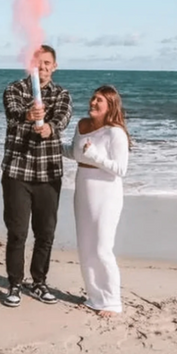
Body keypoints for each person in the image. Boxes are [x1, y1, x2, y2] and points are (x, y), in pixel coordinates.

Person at [1, 45, 72, 308]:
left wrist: (49, 127)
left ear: (54, 66)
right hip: (17, 172)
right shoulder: (15, 89)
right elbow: (13, 115)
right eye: (38, 62)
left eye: (47, 63)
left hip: (48, 174)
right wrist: (28, 115)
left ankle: (39, 282)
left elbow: (63, 117)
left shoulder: (62, 94)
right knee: (17, 232)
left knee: (45, 233)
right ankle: (15, 284)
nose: (42, 67)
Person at [63, 85, 130, 317]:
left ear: (110, 105)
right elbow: (75, 153)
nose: (93, 102)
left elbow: (121, 169)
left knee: (102, 247)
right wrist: (51, 143)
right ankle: (94, 297)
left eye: (99, 100)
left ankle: (112, 302)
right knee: (85, 246)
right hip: (83, 190)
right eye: (93, 98)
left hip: (107, 193)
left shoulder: (116, 133)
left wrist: (95, 156)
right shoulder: (82, 125)